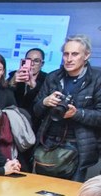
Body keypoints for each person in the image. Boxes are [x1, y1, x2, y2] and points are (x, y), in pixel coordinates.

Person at [33, 35, 101, 182]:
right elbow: (36, 112)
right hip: (49, 142)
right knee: (39, 189)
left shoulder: (97, 79)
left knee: (69, 195)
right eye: (66, 54)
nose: (69, 59)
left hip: (79, 146)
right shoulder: (53, 77)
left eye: (75, 54)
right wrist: (45, 102)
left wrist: (76, 113)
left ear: (86, 55)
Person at [8, 48, 48, 127]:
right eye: (28, 60)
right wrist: (12, 83)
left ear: (42, 64)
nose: (32, 64)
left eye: (36, 61)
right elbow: (4, 98)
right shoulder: (14, 75)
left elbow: (42, 105)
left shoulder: (47, 80)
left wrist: (34, 87)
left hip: (34, 123)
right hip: (13, 121)